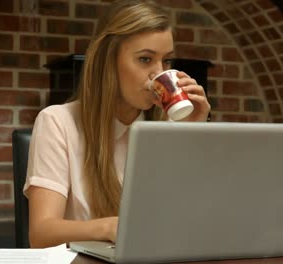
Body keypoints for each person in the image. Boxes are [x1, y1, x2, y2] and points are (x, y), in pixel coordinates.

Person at [23, 0, 210, 248]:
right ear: (108, 63)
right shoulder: (58, 122)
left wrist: (193, 135)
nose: (158, 73)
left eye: (166, 61)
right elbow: (42, 234)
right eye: (145, 59)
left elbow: (195, 222)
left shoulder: (167, 128)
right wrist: (111, 227)